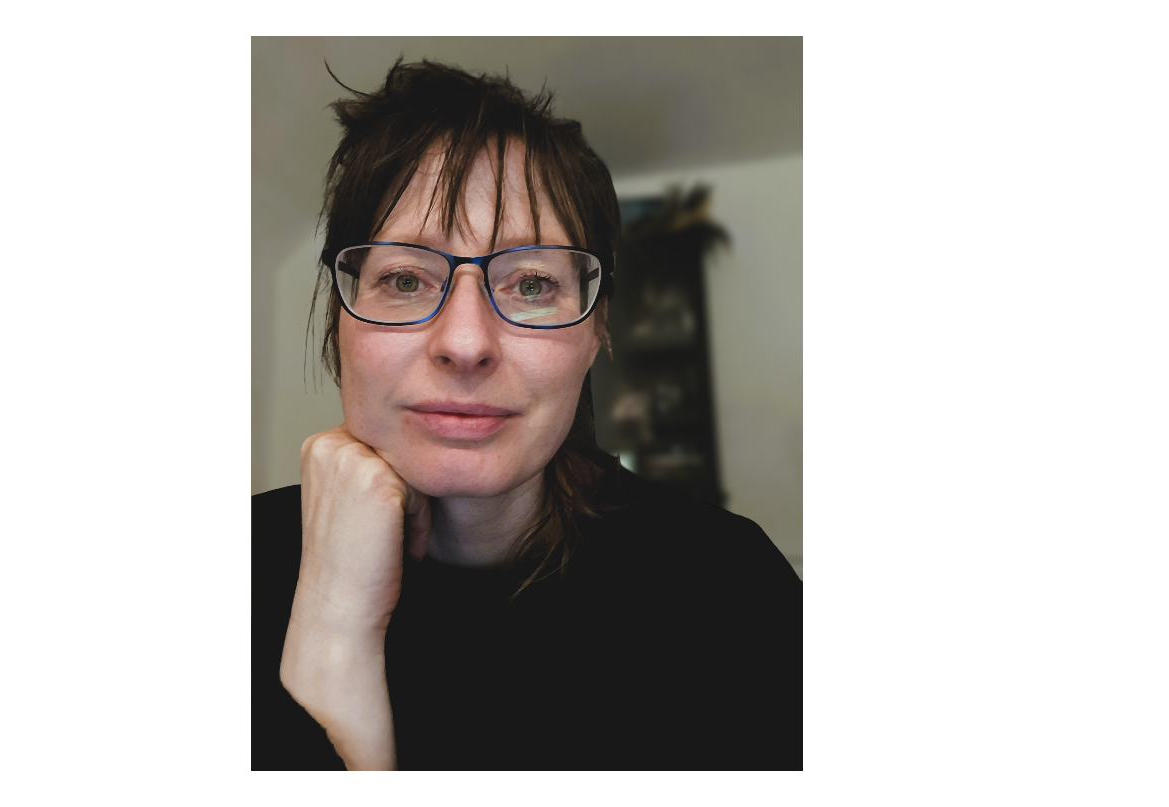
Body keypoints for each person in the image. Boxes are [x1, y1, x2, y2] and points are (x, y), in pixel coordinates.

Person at [250, 60, 801, 799]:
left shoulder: (731, 595)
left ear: (596, 327)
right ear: (340, 320)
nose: (467, 342)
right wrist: (333, 626)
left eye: (533, 283)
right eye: (406, 278)